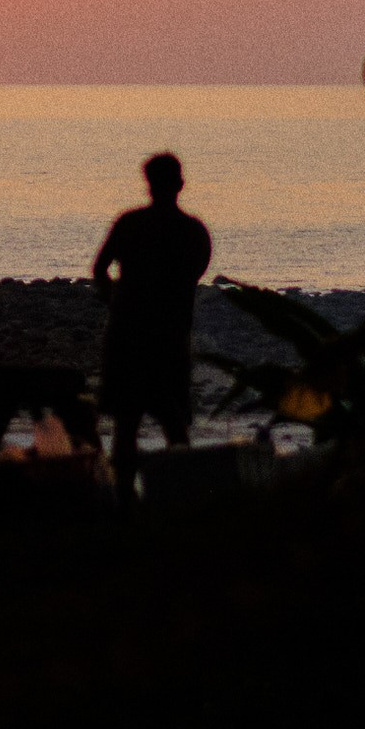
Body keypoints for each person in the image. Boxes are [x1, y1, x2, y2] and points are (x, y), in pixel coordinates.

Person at [93, 153, 212, 492]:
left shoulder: (130, 223)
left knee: (126, 424)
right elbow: (196, 272)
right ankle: (184, 495)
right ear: (179, 184)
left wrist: (113, 301)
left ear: (149, 184)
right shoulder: (193, 232)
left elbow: (100, 269)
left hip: (128, 335)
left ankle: (124, 500)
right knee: (174, 420)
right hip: (170, 337)